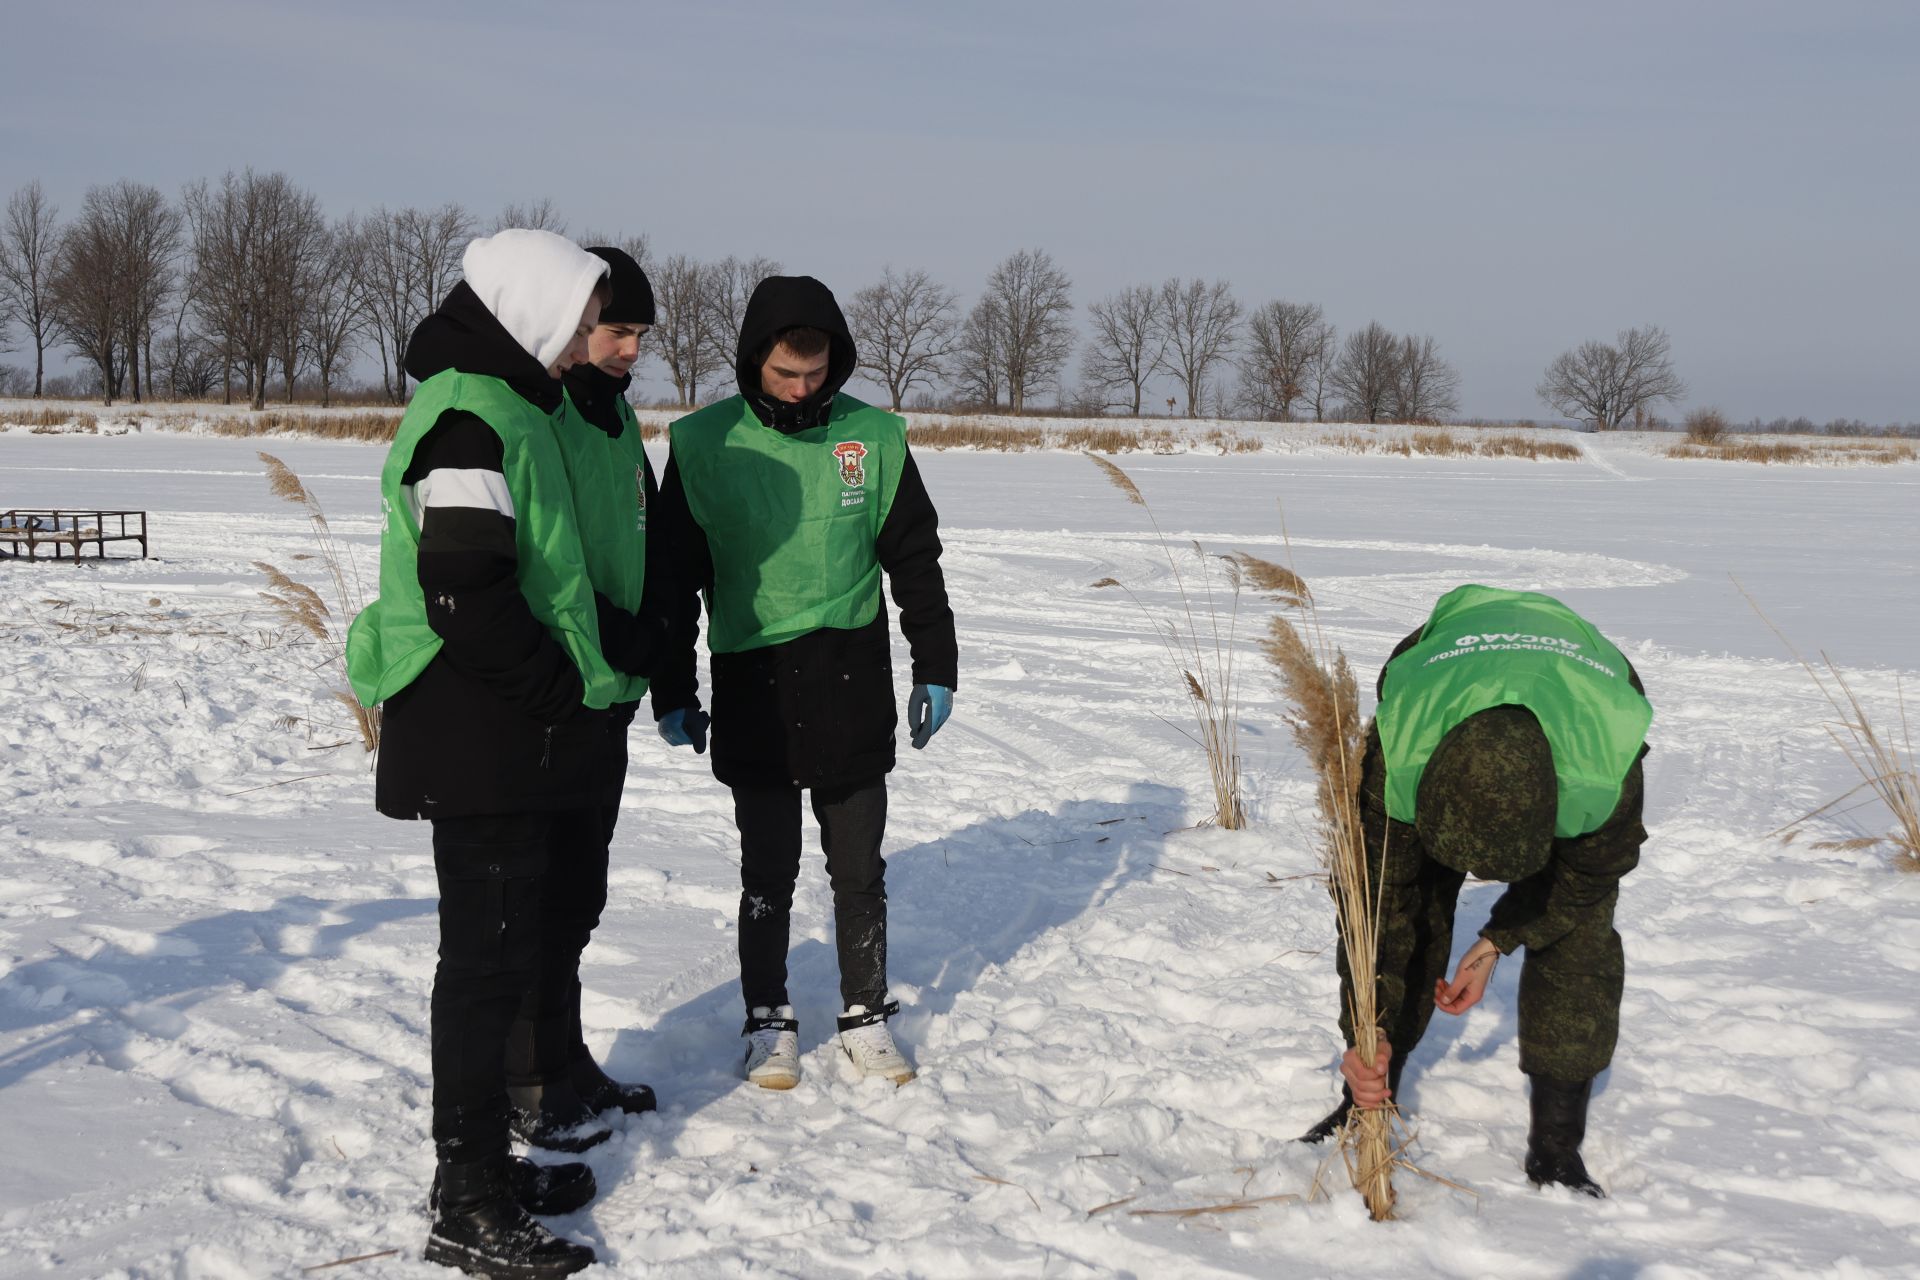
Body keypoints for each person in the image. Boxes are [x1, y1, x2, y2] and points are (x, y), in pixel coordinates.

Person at [346, 228, 623, 1278]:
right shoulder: (467, 416)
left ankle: (489, 1172)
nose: (581, 342)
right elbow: (465, 590)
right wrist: (560, 693)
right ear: (533, 311)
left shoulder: (510, 403)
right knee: (482, 969)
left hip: (506, 728)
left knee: (506, 955)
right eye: (576, 317)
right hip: (482, 730)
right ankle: (465, 1199)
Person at [649, 274, 957, 1091]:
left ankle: (863, 1013)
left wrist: (938, 665)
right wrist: (673, 687)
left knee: (859, 866)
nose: (802, 390)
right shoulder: (702, 444)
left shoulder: (875, 436)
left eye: (816, 375)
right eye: (786, 375)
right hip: (753, 679)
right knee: (768, 869)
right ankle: (768, 1016)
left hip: (852, 672)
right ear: (754, 362)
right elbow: (674, 583)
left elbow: (915, 558)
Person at [1302, 584, 1652, 1199]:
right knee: (1412, 909)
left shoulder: (1603, 766)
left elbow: (1586, 879)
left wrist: (1497, 939)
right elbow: (1378, 909)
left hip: (1581, 683)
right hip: (1446, 663)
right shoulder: (1401, 751)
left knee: (1582, 942)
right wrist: (1369, 1026)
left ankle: (1556, 1149)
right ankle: (1366, 1104)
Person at [499, 245, 666, 1155]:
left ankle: (564, 1055)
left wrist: (652, 648)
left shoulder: (618, 424)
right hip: (557, 682)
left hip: (612, 687)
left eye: (639, 334)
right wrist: (609, 632)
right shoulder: (545, 411)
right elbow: (538, 560)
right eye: (616, 330)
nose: (629, 349)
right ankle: (528, 1077)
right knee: (540, 892)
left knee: (580, 893)